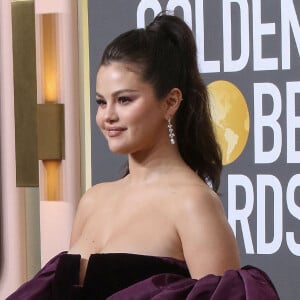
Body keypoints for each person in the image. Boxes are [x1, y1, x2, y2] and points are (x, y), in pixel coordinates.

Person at [7, 12, 279, 300]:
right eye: (101, 102)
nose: (108, 116)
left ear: (170, 102)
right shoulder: (93, 200)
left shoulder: (193, 205)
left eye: (124, 99)